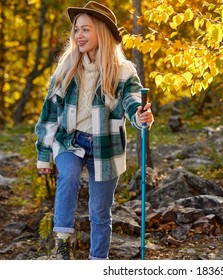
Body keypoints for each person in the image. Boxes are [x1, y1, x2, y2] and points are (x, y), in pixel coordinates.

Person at [35, 1, 154, 260]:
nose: (79, 35)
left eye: (86, 29)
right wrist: (44, 154)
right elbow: (50, 113)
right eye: (76, 30)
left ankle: (98, 262)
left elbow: (133, 102)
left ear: (102, 32)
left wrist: (140, 116)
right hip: (70, 141)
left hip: (105, 147)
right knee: (69, 177)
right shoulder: (66, 69)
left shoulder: (123, 71)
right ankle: (63, 246)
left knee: (100, 211)